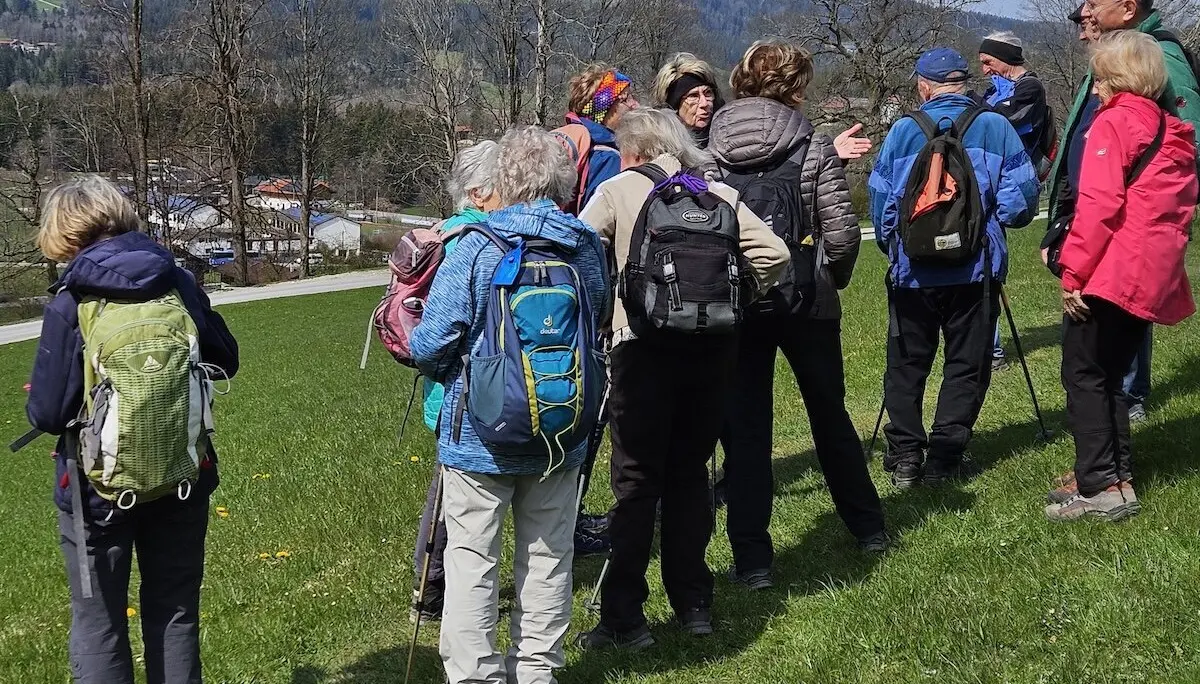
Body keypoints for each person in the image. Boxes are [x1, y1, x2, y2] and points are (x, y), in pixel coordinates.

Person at [575, 108, 789, 648]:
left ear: (635, 150)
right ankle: (694, 604)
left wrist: (609, 305)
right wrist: (737, 299)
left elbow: (577, 247)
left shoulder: (621, 189)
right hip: (711, 349)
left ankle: (625, 616)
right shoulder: (716, 191)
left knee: (636, 480)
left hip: (641, 349)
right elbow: (775, 254)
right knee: (691, 475)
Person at [410, 126, 610, 684]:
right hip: (561, 425)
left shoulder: (475, 245)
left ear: (503, 179)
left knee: (473, 561)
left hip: (478, 433)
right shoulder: (583, 244)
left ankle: (477, 676)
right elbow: (593, 318)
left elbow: (432, 344)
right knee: (549, 557)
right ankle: (537, 672)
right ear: (562, 180)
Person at [25, 175, 239, 683]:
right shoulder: (177, 280)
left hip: (96, 489)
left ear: (63, 233)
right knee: (175, 609)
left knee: (98, 620)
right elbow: (225, 361)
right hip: (182, 472)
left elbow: (51, 415)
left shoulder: (71, 298)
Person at [706, 39, 889, 593]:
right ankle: (868, 528)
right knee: (829, 415)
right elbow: (839, 232)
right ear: (795, 88)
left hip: (738, 302)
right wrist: (830, 278)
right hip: (805, 299)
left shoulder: (710, 149)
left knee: (745, 429)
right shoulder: (811, 145)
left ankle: (753, 559)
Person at [869, 48, 1040, 488]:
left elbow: (882, 207)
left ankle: (905, 456)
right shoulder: (996, 126)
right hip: (975, 271)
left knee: (907, 365)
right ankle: (946, 457)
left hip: (913, 275)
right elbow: (1020, 205)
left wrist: (900, 250)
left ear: (923, 86)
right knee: (967, 364)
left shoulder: (903, 131)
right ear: (963, 83)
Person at [1045, 30, 1196, 521]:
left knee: (1084, 375)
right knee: (1111, 376)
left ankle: (1098, 487)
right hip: (1152, 273)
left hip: (1112, 269)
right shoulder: (1169, 127)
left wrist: (1073, 273)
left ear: (1116, 80)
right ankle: (1117, 478)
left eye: (1099, 79)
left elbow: (1099, 205)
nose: (1094, 90)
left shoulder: (1115, 124)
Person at [410, 140, 498, 624]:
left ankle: (433, 587)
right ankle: (430, 590)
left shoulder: (447, 233)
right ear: (478, 191)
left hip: (446, 386)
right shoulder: (473, 240)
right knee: (449, 498)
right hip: (462, 390)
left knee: (448, 491)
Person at [977, 31, 1053, 372]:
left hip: (1009, 184)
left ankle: (991, 352)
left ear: (1006, 58)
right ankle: (987, 346)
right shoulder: (994, 91)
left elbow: (999, 121)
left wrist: (981, 114)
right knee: (983, 258)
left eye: (988, 62)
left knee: (990, 260)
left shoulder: (1030, 88)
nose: (983, 70)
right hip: (988, 181)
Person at [563, 64, 639, 210]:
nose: (635, 104)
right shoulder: (607, 157)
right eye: (626, 99)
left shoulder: (578, 140)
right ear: (605, 109)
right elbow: (598, 219)